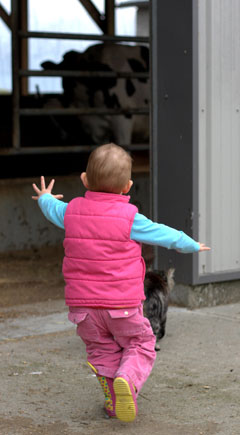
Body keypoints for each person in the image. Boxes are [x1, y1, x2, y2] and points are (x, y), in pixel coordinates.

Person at [32, 143, 210, 423]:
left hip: (84, 309)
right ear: (127, 186)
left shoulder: (71, 212)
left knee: (102, 351)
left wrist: (44, 197)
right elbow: (162, 234)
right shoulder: (130, 218)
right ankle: (127, 378)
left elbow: (52, 207)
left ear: (84, 180)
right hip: (122, 305)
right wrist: (190, 245)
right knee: (141, 343)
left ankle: (114, 402)